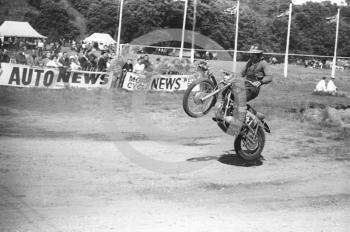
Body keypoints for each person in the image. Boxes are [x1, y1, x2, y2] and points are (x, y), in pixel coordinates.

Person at [216, 44, 273, 122]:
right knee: (227, 93)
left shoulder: (263, 63)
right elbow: (241, 73)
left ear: (258, 54)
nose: (251, 55)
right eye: (251, 53)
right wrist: (231, 76)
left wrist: (260, 82)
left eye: (253, 54)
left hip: (253, 88)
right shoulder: (250, 62)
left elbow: (269, 77)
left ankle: (245, 120)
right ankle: (223, 113)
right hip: (245, 86)